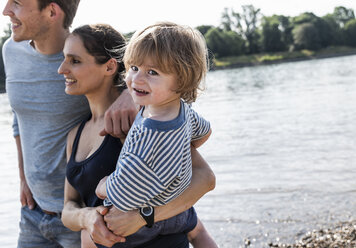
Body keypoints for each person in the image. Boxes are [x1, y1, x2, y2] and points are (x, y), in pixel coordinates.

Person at [59, 24, 217, 248]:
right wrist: (88, 218)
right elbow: (68, 209)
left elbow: (204, 179)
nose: (61, 69)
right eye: (134, 68)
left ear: (110, 66)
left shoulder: (146, 118)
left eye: (75, 60)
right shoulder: (74, 135)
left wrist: (143, 216)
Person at [2, 0, 136, 247]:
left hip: (87, 218)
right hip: (33, 211)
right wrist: (23, 179)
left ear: (52, 11)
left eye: (17, 3)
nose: (6, 10)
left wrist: (130, 93)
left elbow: (158, 82)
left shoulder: (87, 54)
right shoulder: (11, 50)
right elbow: (18, 120)